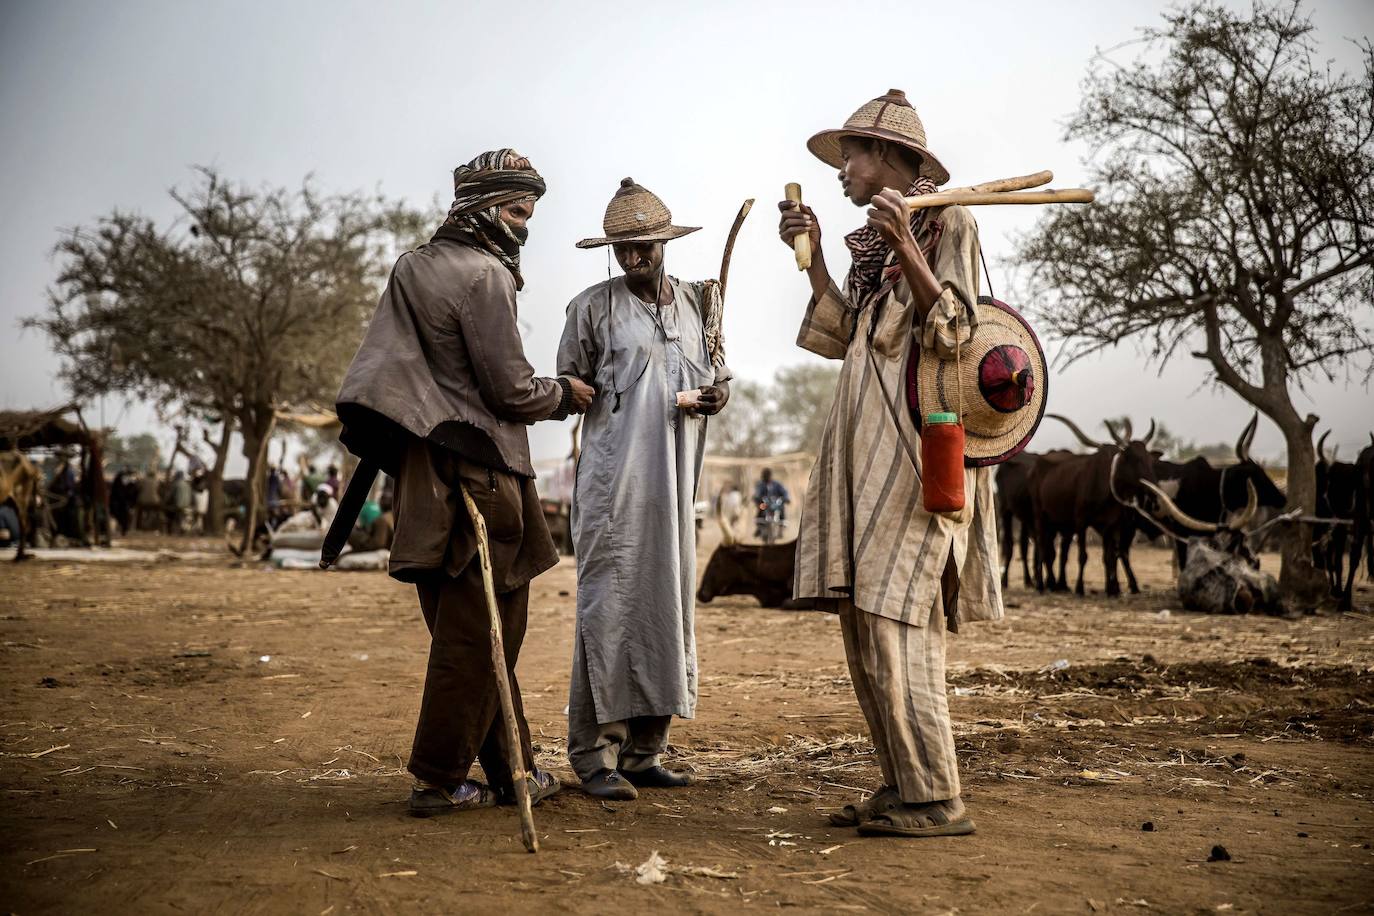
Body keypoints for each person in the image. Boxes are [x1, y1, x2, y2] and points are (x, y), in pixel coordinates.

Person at [777, 90, 1009, 838]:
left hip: (919, 461)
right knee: (863, 616)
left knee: (899, 616)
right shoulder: (874, 251)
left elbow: (957, 329)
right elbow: (850, 336)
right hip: (866, 460)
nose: (840, 171)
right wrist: (808, 257)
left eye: (850, 156)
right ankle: (902, 783)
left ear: (888, 159)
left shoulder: (950, 221)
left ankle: (937, 797)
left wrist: (909, 244)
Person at [335, 148, 593, 818]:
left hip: (423, 477)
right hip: (480, 478)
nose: (524, 225)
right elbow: (509, 389)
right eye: (514, 210)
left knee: (479, 632)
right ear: (480, 208)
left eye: (530, 211)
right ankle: (438, 778)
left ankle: (516, 774)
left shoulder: (412, 266)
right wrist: (564, 392)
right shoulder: (485, 276)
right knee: (481, 636)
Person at [557, 178, 731, 800]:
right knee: (608, 609)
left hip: (675, 488)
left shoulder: (697, 304)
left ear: (664, 242)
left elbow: (719, 378)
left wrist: (716, 395)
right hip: (614, 488)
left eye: (643, 247)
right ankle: (592, 755)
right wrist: (571, 392)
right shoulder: (590, 308)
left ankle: (644, 752)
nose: (633, 258)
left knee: (667, 605)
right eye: (622, 249)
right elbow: (566, 389)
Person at [752, 467, 790, 539]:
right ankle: (759, 527)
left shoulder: (777, 484)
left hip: (775, 504)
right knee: (761, 507)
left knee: (781, 507)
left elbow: (784, 492)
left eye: (767, 475)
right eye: (764, 476)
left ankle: (781, 527)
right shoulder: (761, 485)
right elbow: (757, 494)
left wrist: (786, 498)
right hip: (765, 504)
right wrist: (757, 499)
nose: (766, 477)